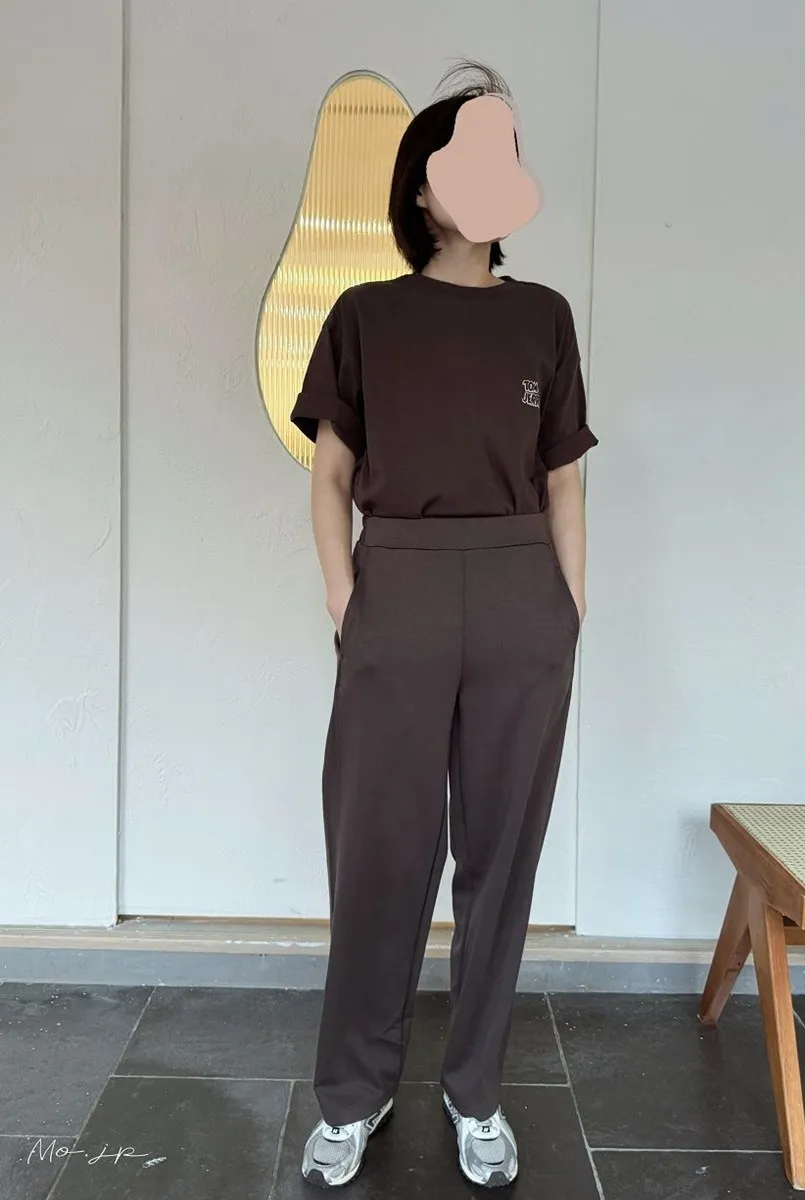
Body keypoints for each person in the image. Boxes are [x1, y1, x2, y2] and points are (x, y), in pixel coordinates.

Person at [291, 62, 597, 1189]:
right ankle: (352, 1094)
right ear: (420, 188)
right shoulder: (365, 316)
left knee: (501, 858)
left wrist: (567, 609)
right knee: (378, 851)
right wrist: (347, 596)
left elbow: (563, 478)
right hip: (401, 586)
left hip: (521, 591)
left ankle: (475, 1093)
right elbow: (330, 476)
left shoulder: (542, 316)